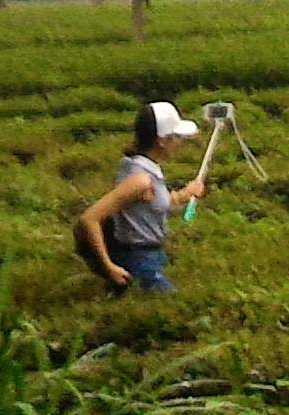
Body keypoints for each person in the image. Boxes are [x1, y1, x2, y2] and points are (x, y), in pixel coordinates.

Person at [76, 99, 208, 294]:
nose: (180, 143)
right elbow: (89, 219)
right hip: (140, 262)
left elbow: (151, 207)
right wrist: (108, 267)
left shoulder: (141, 167)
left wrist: (184, 195)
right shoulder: (140, 180)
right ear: (162, 141)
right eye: (176, 137)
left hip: (152, 256)